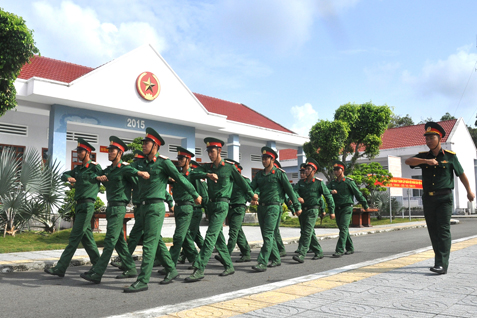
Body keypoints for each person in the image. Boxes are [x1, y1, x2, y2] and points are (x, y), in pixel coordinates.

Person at [124, 128, 201, 293]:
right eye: (143, 143)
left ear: (155, 146)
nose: (144, 145)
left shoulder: (163, 163)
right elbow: (126, 169)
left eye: (147, 143)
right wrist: (138, 172)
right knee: (156, 240)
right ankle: (171, 269)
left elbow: (180, 178)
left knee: (149, 243)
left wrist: (195, 194)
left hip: (155, 207)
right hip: (142, 207)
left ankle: (143, 280)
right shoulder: (141, 163)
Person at [404, 122, 475, 274]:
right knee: (433, 230)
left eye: (431, 138)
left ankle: (441, 264)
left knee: (443, 230)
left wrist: (469, 191)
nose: (428, 141)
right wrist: (425, 161)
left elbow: (461, 174)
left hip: (445, 199)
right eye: (427, 138)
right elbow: (408, 161)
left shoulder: (450, 157)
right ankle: (439, 259)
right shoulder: (424, 157)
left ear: (439, 138)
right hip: (428, 199)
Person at [185, 138, 257, 282]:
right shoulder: (208, 167)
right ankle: (229, 265)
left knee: (210, 236)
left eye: (212, 151)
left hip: (222, 205)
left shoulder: (229, 168)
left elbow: (243, 184)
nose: (210, 154)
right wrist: (207, 175)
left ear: (219, 151)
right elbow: (192, 174)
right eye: (208, 152)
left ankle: (199, 268)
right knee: (217, 238)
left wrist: (252, 196)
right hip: (210, 206)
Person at [80, 136, 148, 283]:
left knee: (110, 240)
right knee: (118, 241)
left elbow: (137, 179)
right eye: (109, 150)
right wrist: (98, 178)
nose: (109, 153)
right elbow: (94, 174)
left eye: (112, 151)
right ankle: (130, 268)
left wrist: (140, 175)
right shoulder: (109, 170)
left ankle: (97, 273)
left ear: (120, 153)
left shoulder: (125, 168)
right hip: (110, 208)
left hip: (119, 208)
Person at [44, 138, 101, 277]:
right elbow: (64, 175)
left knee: (74, 237)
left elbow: (105, 176)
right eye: (77, 151)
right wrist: (69, 178)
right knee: (87, 238)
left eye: (80, 151)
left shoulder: (95, 167)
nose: (78, 153)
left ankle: (60, 268)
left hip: (88, 204)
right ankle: (99, 265)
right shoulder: (78, 169)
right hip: (79, 205)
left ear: (87, 152)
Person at [250, 147, 301, 272]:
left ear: (272, 159)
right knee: (268, 235)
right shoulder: (259, 175)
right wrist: (251, 196)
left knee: (268, 234)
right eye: (263, 158)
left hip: (274, 207)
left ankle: (262, 262)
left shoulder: (279, 174)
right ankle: (276, 258)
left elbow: (290, 191)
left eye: (266, 158)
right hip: (261, 207)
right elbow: (251, 188)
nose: (264, 161)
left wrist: (297, 206)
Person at [293, 158, 334, 263]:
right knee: (307, 232)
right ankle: (318, 251)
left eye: (308, 169)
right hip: (303, 210)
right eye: (305, 169)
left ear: (314, 171)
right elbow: (294, 191)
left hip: (313, 210)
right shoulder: (301, 182)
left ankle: (302, 254)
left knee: (307, 232)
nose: (306, 171)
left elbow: (328, 196)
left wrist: (331, 210)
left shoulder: (319, 183)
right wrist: (298, 197)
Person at [166, 147, 200, 267]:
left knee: (179, 236)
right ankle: (196, 260)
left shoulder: (193, 174)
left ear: (188, 160)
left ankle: (170, 265)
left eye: (181, 158)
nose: (179, 160)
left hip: (188, 208)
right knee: (185, 236)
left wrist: (198, 208)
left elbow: (200, 192)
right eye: (178, 158)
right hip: (179, 207)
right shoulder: (178, 175)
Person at [327, 160, 368, 257]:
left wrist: (365, 205)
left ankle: (339, 250)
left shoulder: (348, 182)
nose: (336, 172)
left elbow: (357, 193)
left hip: (347, 208)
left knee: (344, 228)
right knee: (342, 228)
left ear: (342, 170)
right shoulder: (333, 183)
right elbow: (324, 189)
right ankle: (350, 248)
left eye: (338, 169)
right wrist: (330, 191)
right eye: (334, 170)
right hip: (337, 208)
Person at [216, 159, 253, 263]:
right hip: (230, 207)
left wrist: (252, 199)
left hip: (239, 208)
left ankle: (225, 255)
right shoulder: (229, 180)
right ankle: (246, 253)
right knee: (238, 231)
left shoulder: (245, 180)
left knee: (233, 233)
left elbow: (249, 192)